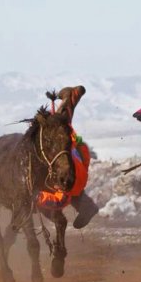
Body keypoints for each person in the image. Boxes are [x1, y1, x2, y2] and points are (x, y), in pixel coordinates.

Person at [37, 87, 99, 229]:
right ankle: (70, 96)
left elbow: (58, 202)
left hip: (76, 159)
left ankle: (71, 96)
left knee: (62, 126)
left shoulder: (67, 183)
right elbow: (60, 200)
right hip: (74, 160)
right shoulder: (69, 180)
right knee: (61, 126)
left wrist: (37, 197)